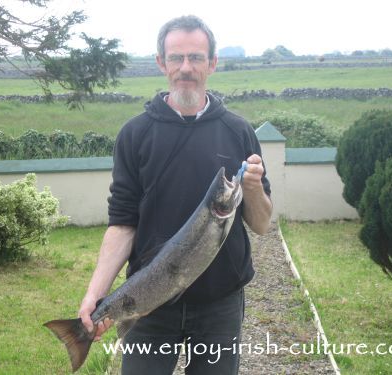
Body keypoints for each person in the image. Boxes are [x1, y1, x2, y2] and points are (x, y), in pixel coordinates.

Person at [79, 15, 273, 375]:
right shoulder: (134, 135)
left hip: (220, 303)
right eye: (176, 58)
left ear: (212, 64)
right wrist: (96, 294)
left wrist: (252, 188)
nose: (186, 68)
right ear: (161, 63)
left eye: (196, 58)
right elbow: (122, 223)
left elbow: (261, 224)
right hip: (148, 300)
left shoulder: (238, 131)